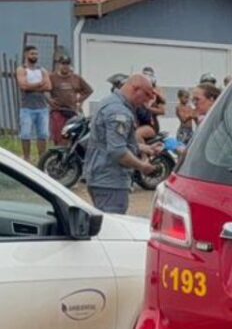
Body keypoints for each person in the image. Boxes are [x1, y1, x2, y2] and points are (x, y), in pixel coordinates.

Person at [83, 74, 161, 214]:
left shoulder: (110, 102)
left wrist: (144, 148)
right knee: (111, 228)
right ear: (135, 89)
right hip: (110, 181)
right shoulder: (119, 112)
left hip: (102, 178)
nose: (147, 101)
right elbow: (117, 152)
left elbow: (112, 143)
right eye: (147, 95)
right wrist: (142, 167)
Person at [15, 45, 52, 163]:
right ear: (26, 55)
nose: (34, 56)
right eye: (32, 54)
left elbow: (49, 86)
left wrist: (33, 86)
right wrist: (40, 85)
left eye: (36, 54)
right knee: (25, 134)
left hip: (42, 108)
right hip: (27, 108)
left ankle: (42, 159)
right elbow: (23, 86)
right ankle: (27, 158)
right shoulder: (22, 69)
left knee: (43, 134)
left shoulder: (42, 70)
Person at [48, 51, 93, 145]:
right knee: (59, 136)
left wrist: (79, 101)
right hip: (58, 110)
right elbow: (44, 90)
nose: (65, 66)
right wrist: (49, 100)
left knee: (72, 135)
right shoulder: (51, 77)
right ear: (58, 65)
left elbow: (88, 90)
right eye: (63, 64)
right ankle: (58, 156)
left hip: (72, 111)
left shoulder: (76, 78)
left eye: (67, 64)